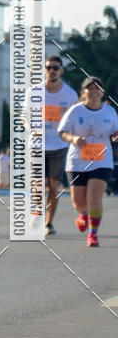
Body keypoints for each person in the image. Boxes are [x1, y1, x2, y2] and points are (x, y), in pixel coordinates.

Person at [58, 76, 118, 247]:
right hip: (77, 161)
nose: (94, 91)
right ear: (83, 92)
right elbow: (62, 132)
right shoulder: (75, 111)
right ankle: (83, 213)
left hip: (102, 161)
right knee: (79, 203)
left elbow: (115, 132)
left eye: (97, 88)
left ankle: (93, 233)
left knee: (95, 196)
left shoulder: (110, 112)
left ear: (102, 92)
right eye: (89, 88)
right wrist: (74, 138)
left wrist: (115, 136)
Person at [42, 55, 78, 235]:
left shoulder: (70, 95)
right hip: (37, 144)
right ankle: (37, 213)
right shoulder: (34, 92)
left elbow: (76, 121)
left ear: (61, 71)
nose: (52, 71)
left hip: (59, 145)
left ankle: (48, 223)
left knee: (53, 186)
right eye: (49, 68)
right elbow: (24, 116)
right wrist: (30, 129)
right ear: (44, 70)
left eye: (56, 68)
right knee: (37, 186)